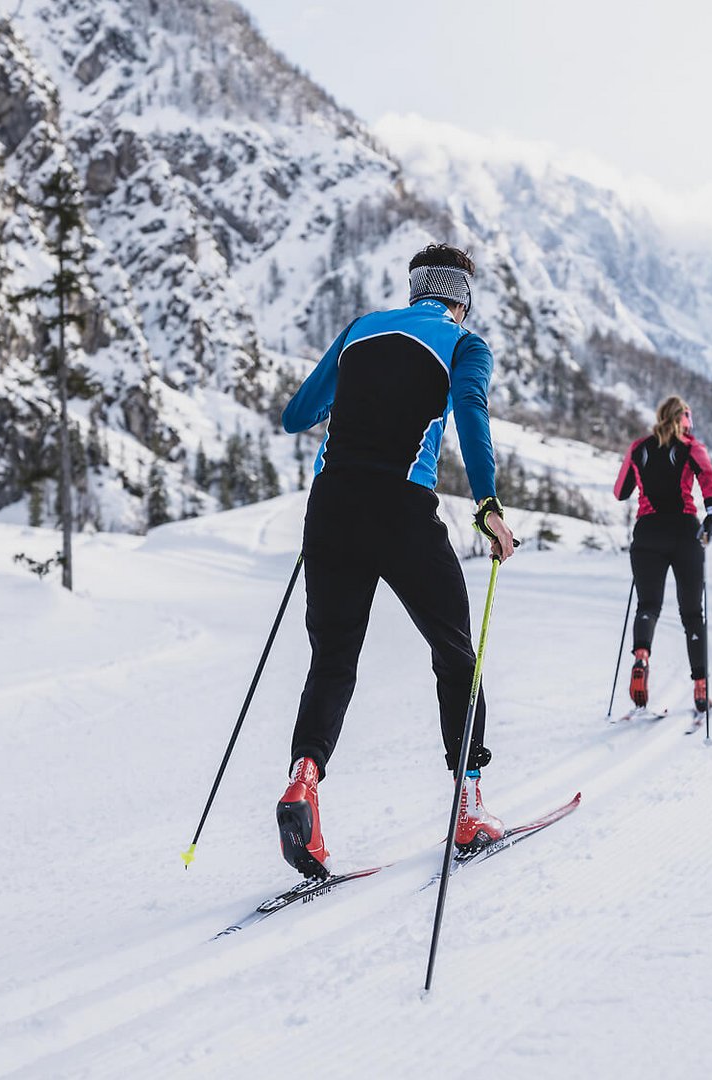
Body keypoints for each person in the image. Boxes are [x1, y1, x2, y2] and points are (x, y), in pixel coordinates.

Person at [273, 243, 518, 880]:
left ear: (414, 292)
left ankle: (305, 782)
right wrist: (488, 503)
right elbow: (470, 414)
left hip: (330, 509)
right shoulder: (466, 345)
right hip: (401, 510)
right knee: (454, 652)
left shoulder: (360, 330)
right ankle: (468, 807)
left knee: (333, 659)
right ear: (461, 299)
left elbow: (297, 415)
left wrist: (355, 404)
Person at [613, 395, 712, 714]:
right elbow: (707, 477)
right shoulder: (690, 447)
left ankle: (641, 657)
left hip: (647, 533)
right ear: (685, 418)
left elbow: (621, 492)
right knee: (691, 614)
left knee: (648, 605)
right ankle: (701, 688)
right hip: (685, 533)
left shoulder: (639, 447)